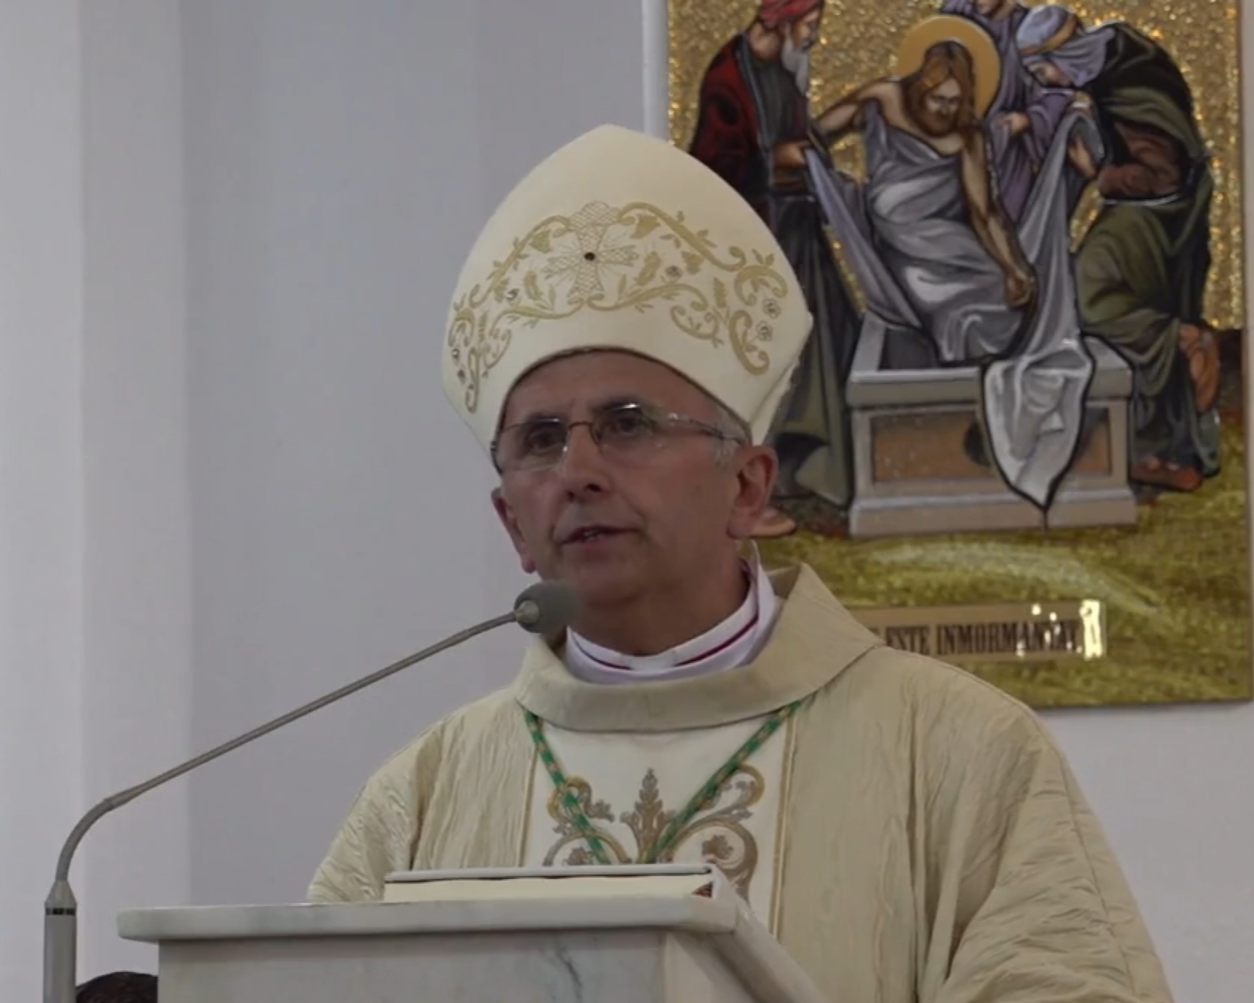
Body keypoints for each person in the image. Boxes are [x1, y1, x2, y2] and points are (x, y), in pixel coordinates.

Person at [309, 123, 1174, 1002]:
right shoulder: (424, 796)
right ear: (513, 525)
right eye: (540, 439)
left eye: (629, 423)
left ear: (751, 489)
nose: (578, 471)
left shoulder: (957, 752)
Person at [810, 21, 1100, 509]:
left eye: (954, 101)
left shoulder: (969, 136)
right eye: (936, 99)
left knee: (1005, 297)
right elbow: (819, 132)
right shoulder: (883, 99)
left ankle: (989, 406)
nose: (944, 109)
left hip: (950, 240)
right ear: (920, 85)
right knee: (955, 309)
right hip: (903, 249)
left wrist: (1014, 268)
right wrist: (832, 186)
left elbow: (984, 214)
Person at [1018, 4, 1222, 493]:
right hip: (1150, 210)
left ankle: (1181, 344)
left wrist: (1097, 173)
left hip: (1155, 216)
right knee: (1089, 294)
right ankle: (1158, 446)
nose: (1046, 82)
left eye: (1044, 71)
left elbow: (1160, 174)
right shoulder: (1121, 57)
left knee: (1089, 296)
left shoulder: (1128, 88)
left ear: (1064, 56)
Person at [689, 0, 863, 531]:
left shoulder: (784, 69)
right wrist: (777, 160)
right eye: (810, 26)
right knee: (767, 365)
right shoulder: (729, 78)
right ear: (782, 22)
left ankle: (812, 479)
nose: (815, 37)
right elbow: (712, 171)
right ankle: (750, 498)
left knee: (831, 348)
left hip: (797, 237)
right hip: (756, 248)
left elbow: (796, 142)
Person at [940, 0, 1072, 223]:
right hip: (954, 148)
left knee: (1002, 225)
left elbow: (1060, 91)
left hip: (1008, 158)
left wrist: (1028, 120)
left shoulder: (1035, 29)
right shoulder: (955, 17)